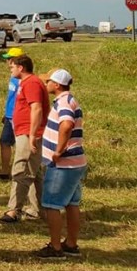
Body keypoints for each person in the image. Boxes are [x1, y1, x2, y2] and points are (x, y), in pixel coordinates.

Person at [36, 68, 86, 259]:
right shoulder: (70, 99)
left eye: (49, 81)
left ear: (56, 85)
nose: (46, 84)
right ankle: (71, 244)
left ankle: (55, 247)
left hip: (63, 164)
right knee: (72, 203)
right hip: (76, 162)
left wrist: (58, 150)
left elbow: (66, 124)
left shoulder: (63, 103)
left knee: (51, 204)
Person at [0, 55, 49, 223]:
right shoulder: (26, 83)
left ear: (21, 67)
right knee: (34, 173)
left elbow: (36, 108)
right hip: (25, 132)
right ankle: (39, 209)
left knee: (22, 169)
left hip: (29, 133)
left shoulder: (32, 83)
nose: (10, 70)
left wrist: (33, 135)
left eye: (12, 67)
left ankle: (14, 210)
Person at [0, 47, 27, 179]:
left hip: (17, 116)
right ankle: (5, 170)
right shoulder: (13, 77)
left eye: (9, 59)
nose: (8, 62)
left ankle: (17, 170)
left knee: (15, 143)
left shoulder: (22, 79)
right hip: (10, 115)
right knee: (5, 142)